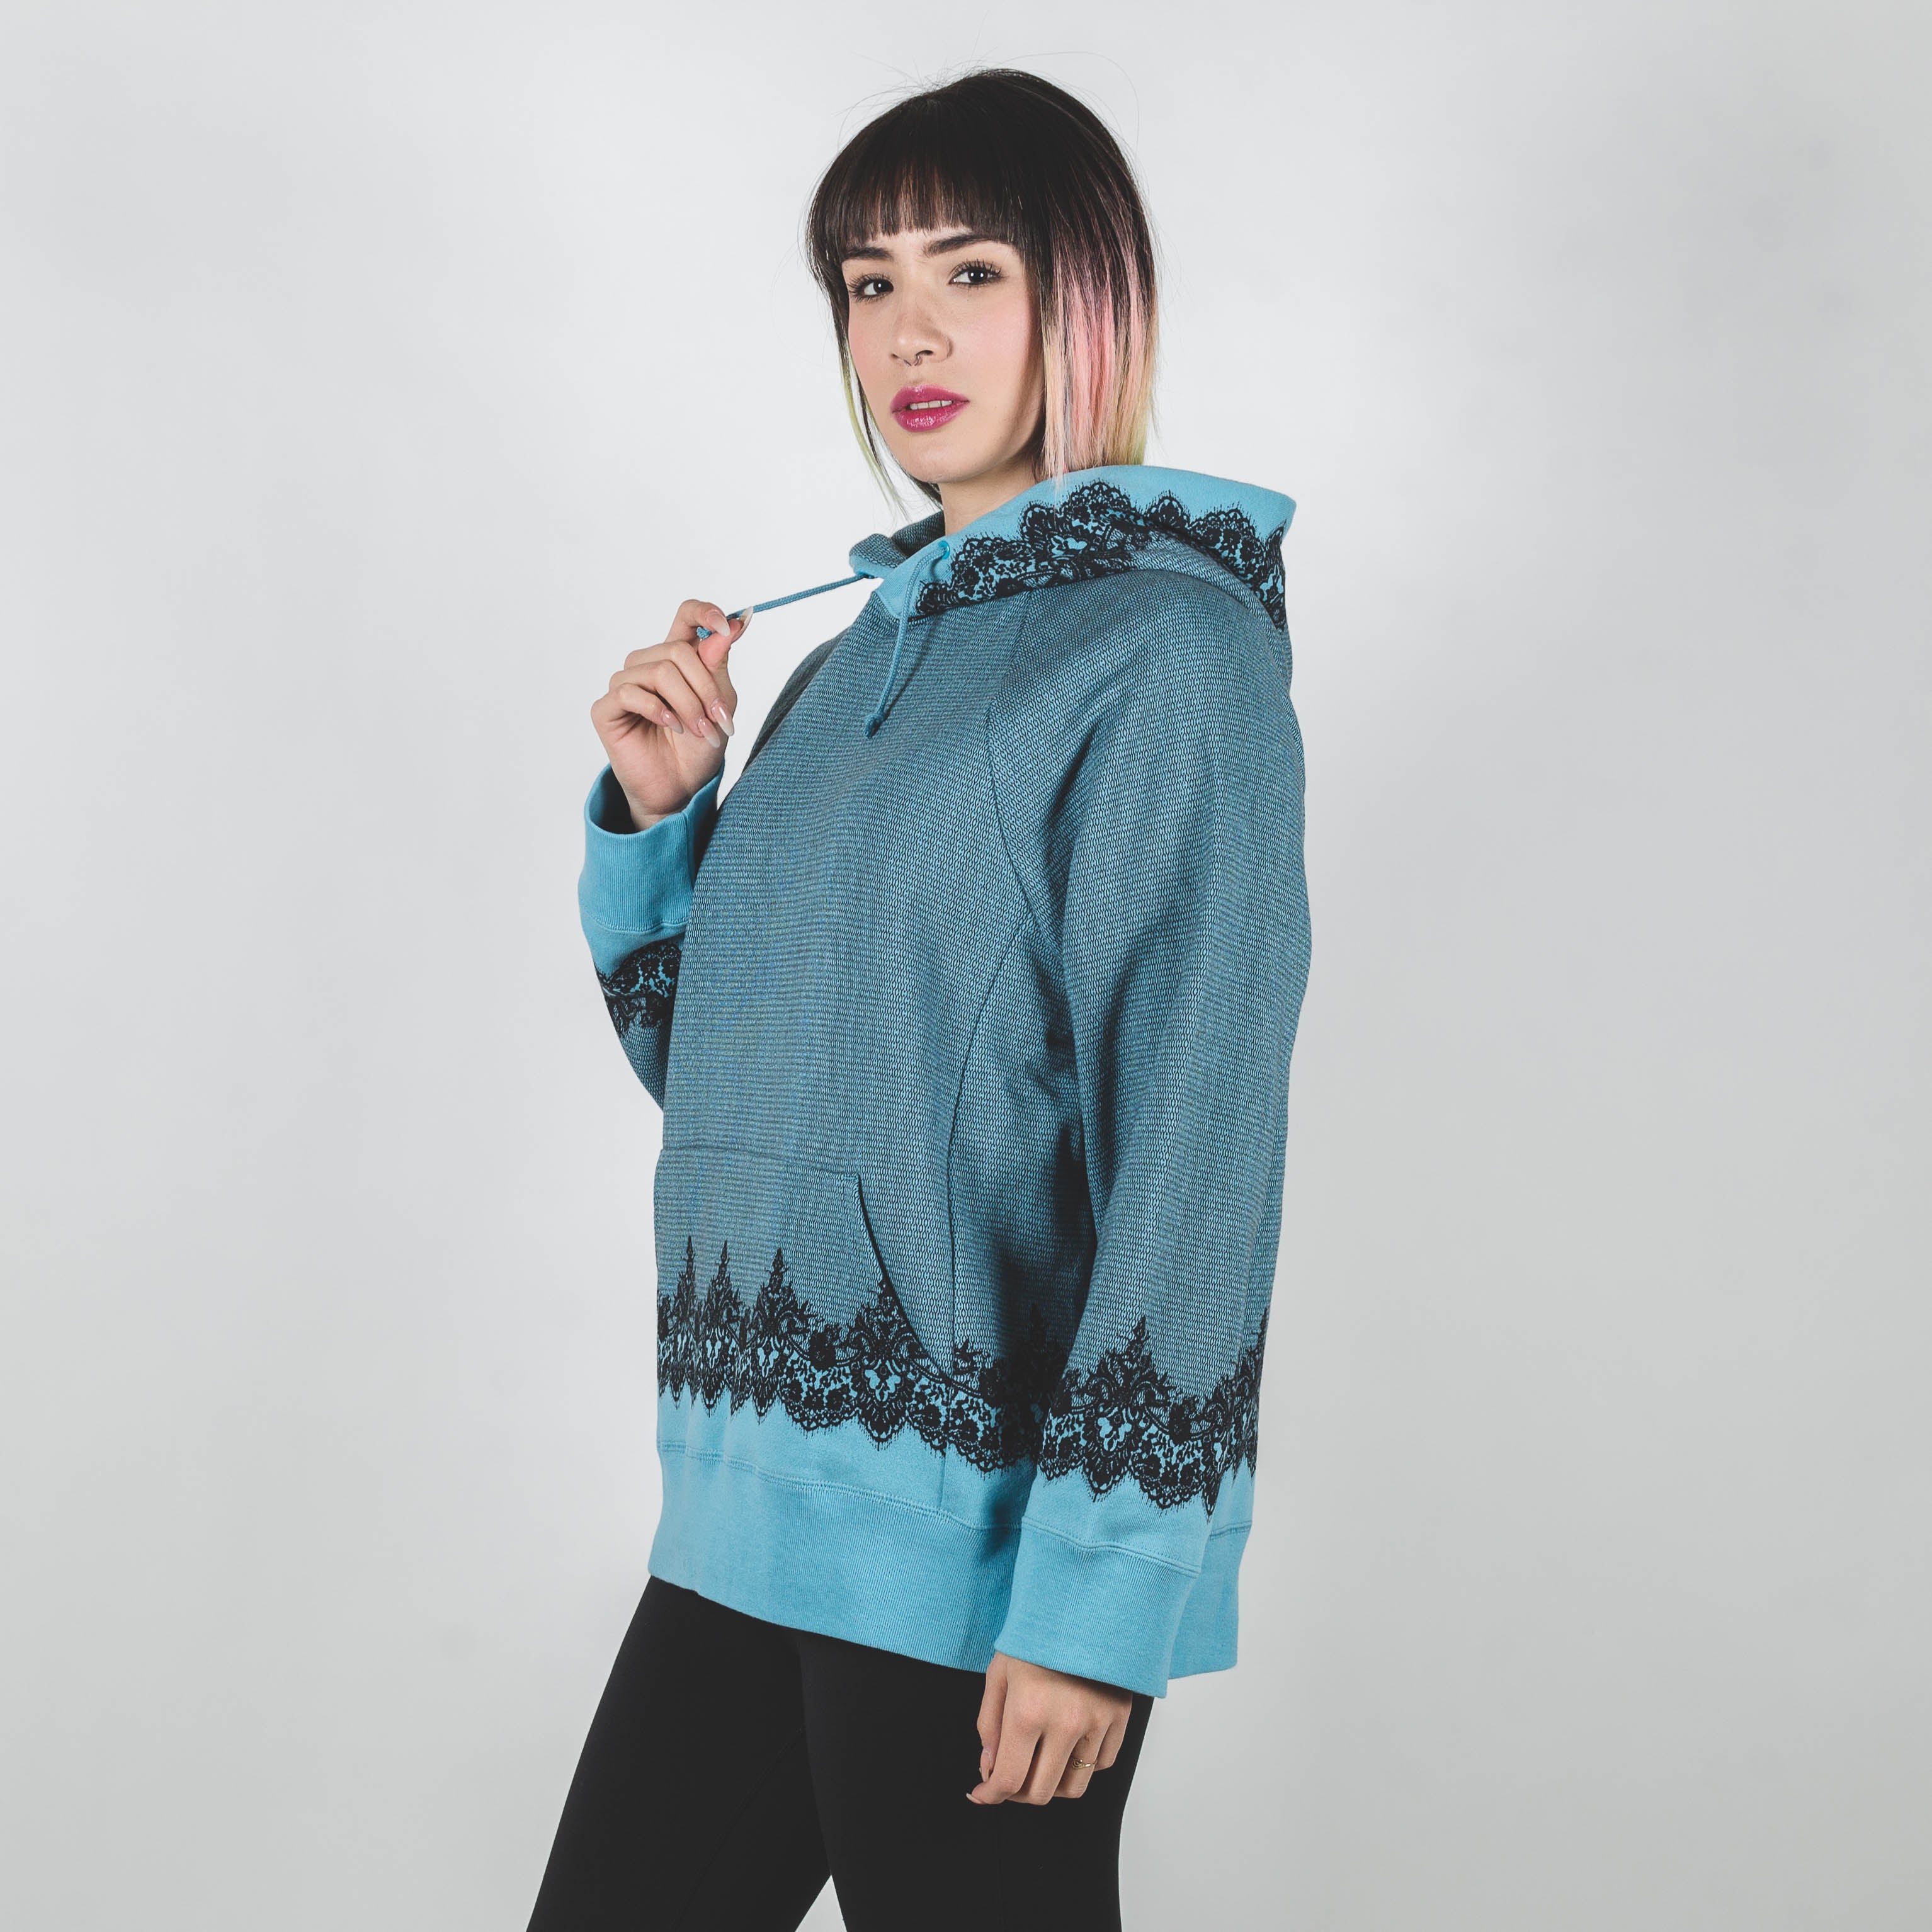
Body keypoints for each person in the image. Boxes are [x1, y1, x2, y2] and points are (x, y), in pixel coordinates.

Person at [526, 67, 1312, 1932]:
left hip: (974, 1538)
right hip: (743, 1501)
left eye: (970, 271)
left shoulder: (1170, 649)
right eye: (867, 285)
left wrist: (1099, 1599)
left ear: (1085, 297)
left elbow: (1195, 1141)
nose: (910, 334)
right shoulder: (846, 664)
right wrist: (664, 821)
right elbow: (740, 1080)